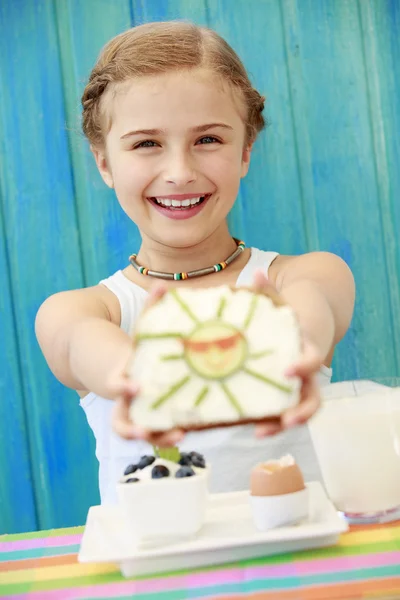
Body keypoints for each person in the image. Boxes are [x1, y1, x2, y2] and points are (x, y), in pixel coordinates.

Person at [35, 21, 355, 504]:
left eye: (208, 140)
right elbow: (85, 347)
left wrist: (295, 341)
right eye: (146, 143)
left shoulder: (303, 275)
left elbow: (312, 310)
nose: (180, 172)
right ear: (104, 163)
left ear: (246, 151)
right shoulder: (83, 311)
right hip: (155, 575)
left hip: (300, 569)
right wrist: (140, 378)